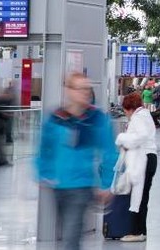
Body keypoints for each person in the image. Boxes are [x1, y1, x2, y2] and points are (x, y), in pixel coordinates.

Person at [37, 73, 118, 250]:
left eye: (87, 89)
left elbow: (109, 152)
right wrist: (44, 172)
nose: (85, 93)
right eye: (80, 88)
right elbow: (45, 148)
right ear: (69, 91)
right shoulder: (56, 118)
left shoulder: (96, 119)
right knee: (67, 232)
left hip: (82, 186)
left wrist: (106, 184)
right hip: (58, 186)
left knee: (71, 237)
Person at [114, 92, 158, 242]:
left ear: (129, 108)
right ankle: (139, 230)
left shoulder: (138, 118)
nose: (125, 114)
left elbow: (141, 136)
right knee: (142, 195)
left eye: (125, 110)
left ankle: (137, 231)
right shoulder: (145, 115)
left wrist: (123, 138)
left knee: (139, 196)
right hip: (149, 158)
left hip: (143, 159)